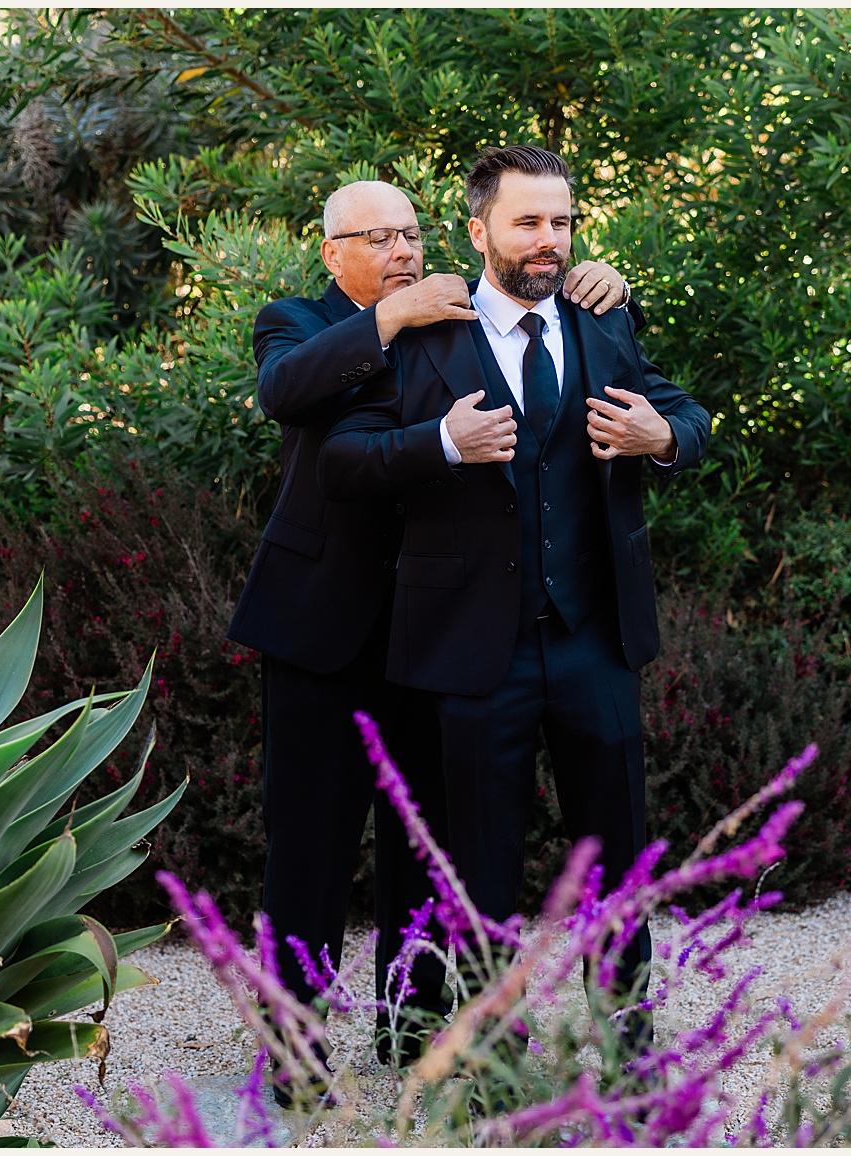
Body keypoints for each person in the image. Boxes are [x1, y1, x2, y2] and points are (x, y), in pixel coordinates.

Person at [224, 177, 634, 1088]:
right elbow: (285, 395)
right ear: (334, 253)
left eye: (411, 234)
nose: (404, 251)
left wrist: (590, 280)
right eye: (379, 238)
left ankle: (412, 1035)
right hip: (322, 630)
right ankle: (294, 1055)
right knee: (311, 848)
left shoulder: (449, 315)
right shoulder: (296, 320)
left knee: (422, 843)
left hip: (437, 630)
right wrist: (386, 319)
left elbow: (530, 319)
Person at [319, 145, 710, 1050]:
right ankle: (492, 1062)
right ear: (478, 231)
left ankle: (629, 1054)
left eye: (562, 222)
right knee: (478, 871)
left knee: (617, 862)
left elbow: (686, 417)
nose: (549, 241)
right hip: (469, 646)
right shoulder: (421, 334)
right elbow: (342, 461)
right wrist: (441, 444)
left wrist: (661, 439)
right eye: (528, 222)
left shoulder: (602, 319)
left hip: (594, 641)